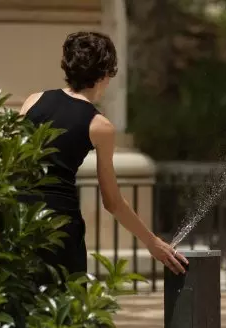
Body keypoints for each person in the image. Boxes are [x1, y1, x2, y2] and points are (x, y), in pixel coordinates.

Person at [19, 31, 187, 278]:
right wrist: (152, 242)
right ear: (105, 74)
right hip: (60, 227)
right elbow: (112, 201)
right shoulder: (100, 126)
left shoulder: (33, 100)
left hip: (19, 219)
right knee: (65, 311)